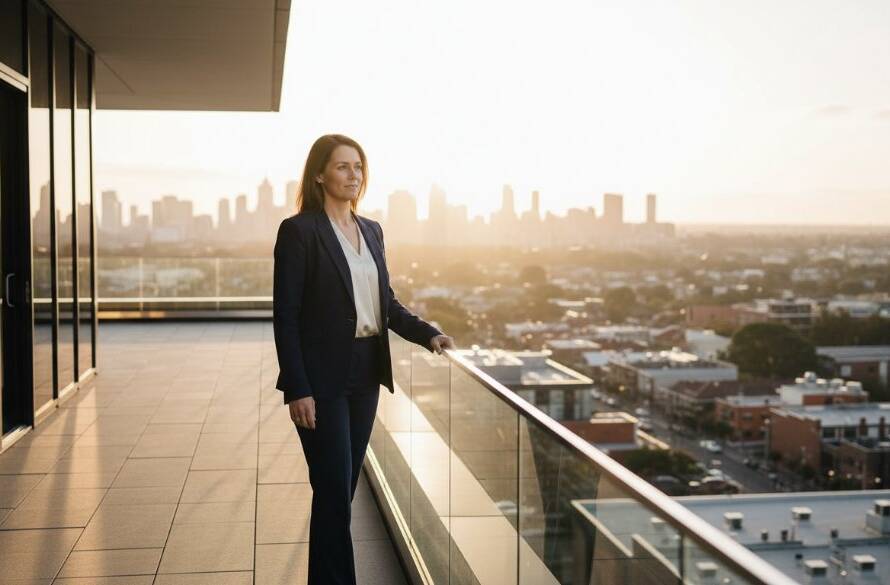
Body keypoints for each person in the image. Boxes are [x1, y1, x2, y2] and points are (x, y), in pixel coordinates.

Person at [272, 134, 455, 584]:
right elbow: (286, 315)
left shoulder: (371, 230)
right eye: (342, 167)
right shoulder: (299, 232)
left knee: (340, 492)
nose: (353, 175)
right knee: (334, 491)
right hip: (322, 378)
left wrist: (429, 334)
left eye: (358, 167)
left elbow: (385, 303)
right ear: (319, 174)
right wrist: (298, 387)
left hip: (366, 372)